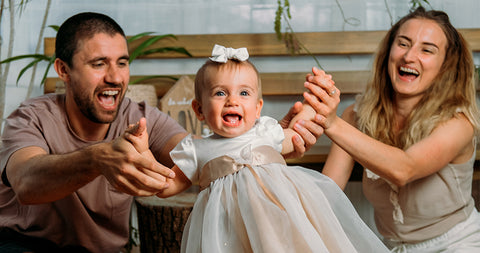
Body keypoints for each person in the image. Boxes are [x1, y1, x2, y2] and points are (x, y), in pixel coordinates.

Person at [0, 13, 322, 252]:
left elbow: (203, 155)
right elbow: (27, 182)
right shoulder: (30, 117)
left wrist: (259, 139)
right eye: (99, 64)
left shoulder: (143, 118)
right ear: (63, 70)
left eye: (122, 63)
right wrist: (97, 159)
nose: (115, 77)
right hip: (25, 246)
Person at [124, 44, 390, 253]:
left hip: (278, 224)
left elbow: (298, 132)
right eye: (219, 93)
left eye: (244, 93)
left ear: (258, 108)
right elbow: (168, 187)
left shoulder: (266, 131)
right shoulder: (196, 149)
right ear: (199, 110)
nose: (232, 101)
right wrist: (144, 157)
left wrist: (317, 99)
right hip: (228, 234)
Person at [304, 7, 480, 252]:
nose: (409, 56)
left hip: (458, 243)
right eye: (403, 44)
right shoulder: (355, 117)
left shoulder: (459, 123)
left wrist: (331, 123)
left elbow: (403, 169)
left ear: (446, 65)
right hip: (392, 247)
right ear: (389, 52)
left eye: (427, 50)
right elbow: (326, 193)